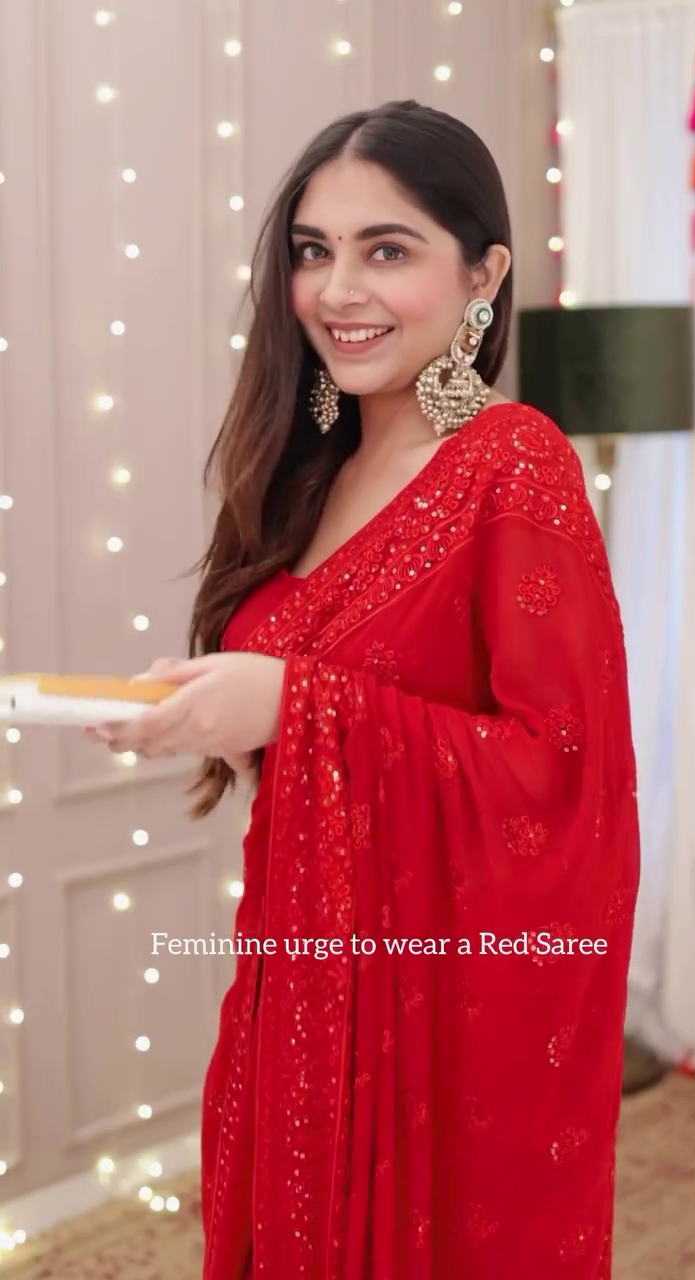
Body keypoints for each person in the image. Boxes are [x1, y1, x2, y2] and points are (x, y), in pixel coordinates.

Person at [88, 101, 639, 1279]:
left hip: (433, 1028)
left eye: (387, 248)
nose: (339, 288)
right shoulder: (314, 464)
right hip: (294, 987)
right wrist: (215, 710)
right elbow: (310, 705)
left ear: (484, 273)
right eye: (314, 249)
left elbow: (563, 777)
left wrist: (295, 707)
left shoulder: (512, 461)